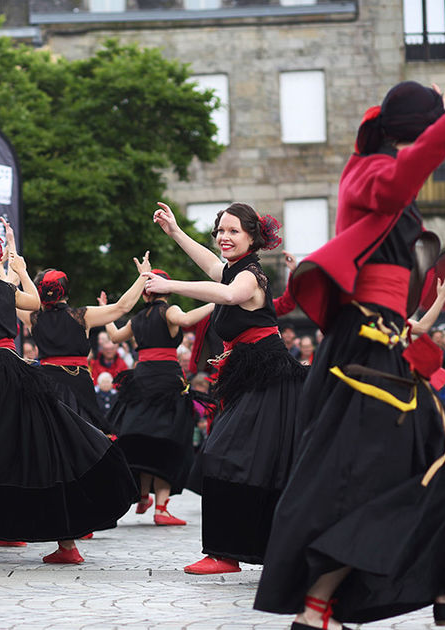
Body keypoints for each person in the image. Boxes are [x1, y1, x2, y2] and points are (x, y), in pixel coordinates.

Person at [256, 75, 445, 628]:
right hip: (365, 348)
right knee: (388, 473)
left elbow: (404, 178)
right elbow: (395, 182)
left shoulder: (384, 171)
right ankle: (323, 605)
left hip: (383, 347)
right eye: (428, 125)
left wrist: (434, 113)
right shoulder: (368, 172)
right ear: (413, 133)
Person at [0, 230, 136, 564]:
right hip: (13, 370)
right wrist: (22, 271)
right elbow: (33, 300)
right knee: (39, 450)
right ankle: (67, 546)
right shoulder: (3, 288)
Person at [147, 202, 307, 575]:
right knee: (233, 460)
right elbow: (210, 265)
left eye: (233, 231)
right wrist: (175, 233)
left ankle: (228, 554)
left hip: (269, 378)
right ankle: (228, 553)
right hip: (248, 376)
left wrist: (171, 285)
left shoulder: (250, 276)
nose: (224, 236)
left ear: (252, 237)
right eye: (220, 230)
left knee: (227, 457)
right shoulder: (233, 270)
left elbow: (229, 295)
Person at [105, 269, 212, 526]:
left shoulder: (138, 318)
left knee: (143, 438)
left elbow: (114, 336)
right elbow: (186, 318)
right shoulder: (169, 311)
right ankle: (161, 508)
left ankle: (143, 495)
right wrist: (216, 300)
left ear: (144, 294)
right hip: (166, 381)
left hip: (141, 380)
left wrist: (105, 311)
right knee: (169, 441)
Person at [24, 249, 152, 434]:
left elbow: (10, 296)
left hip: (46, 382)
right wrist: (143, 276)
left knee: (49, 435)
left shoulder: (33, 317)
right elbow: (121, 307)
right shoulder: (82, 316)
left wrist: (15, 269)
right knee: (83, 437)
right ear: (65, 291)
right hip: (77, 382)